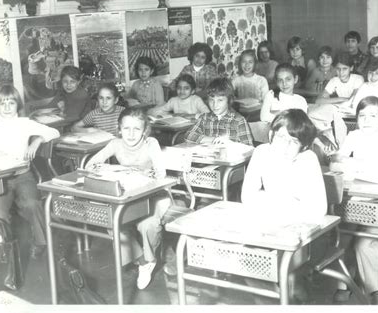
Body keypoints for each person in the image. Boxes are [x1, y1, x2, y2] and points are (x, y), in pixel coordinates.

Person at [85, 107, 168, 290]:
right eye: (126, 128)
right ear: (119, 128)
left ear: (145, 130)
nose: (131, 134)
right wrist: (112, 170)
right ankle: (144, 261)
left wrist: (142, 174)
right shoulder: (115, 143)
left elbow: (161, 174)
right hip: (127, 195)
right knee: (112, 222)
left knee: (148, 225)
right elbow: (90, 164)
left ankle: (149, 258)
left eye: (137, 129)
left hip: (154, 195)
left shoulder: (150, 143)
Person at [330, 96, 378, 305]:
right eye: (362, 116)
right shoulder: (353, 136)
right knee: (341, 239)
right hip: (355, 200)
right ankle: (342, 283)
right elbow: (337, 162)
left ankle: (376, 290)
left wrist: (354, 164)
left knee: (365, 243)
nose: (366, 120)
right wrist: (345, 162)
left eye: (372, 116)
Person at [0, 85, 60, 260]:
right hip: (1, 179)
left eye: (11, 102)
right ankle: (4, 248)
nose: (7, 107)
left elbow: (54, 131)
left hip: (23, 175)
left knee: (31, 204)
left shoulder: (25, 123)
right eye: (2, 103)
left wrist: (37, 140)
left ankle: (40, 242)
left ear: (18, 104)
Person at [242, 108, 327, 222]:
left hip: (299, 223)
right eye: (281, 137)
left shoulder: (308, 159)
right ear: (271, 134)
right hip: (268, 219)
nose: (285, 145)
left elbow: (318, 209)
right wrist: (290, 202)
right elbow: (247, 196)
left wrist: (266, 199)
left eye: (294, 141)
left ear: (304, 146)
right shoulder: (261, 152)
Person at [184, 77, 253, 146]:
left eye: (220, 100)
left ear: (229, 100)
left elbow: (249, 148)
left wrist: (230, 144)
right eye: (211, 100)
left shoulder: (239, 121)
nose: (215, 105)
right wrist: (214, 140)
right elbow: (188, 135)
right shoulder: (205, 118)